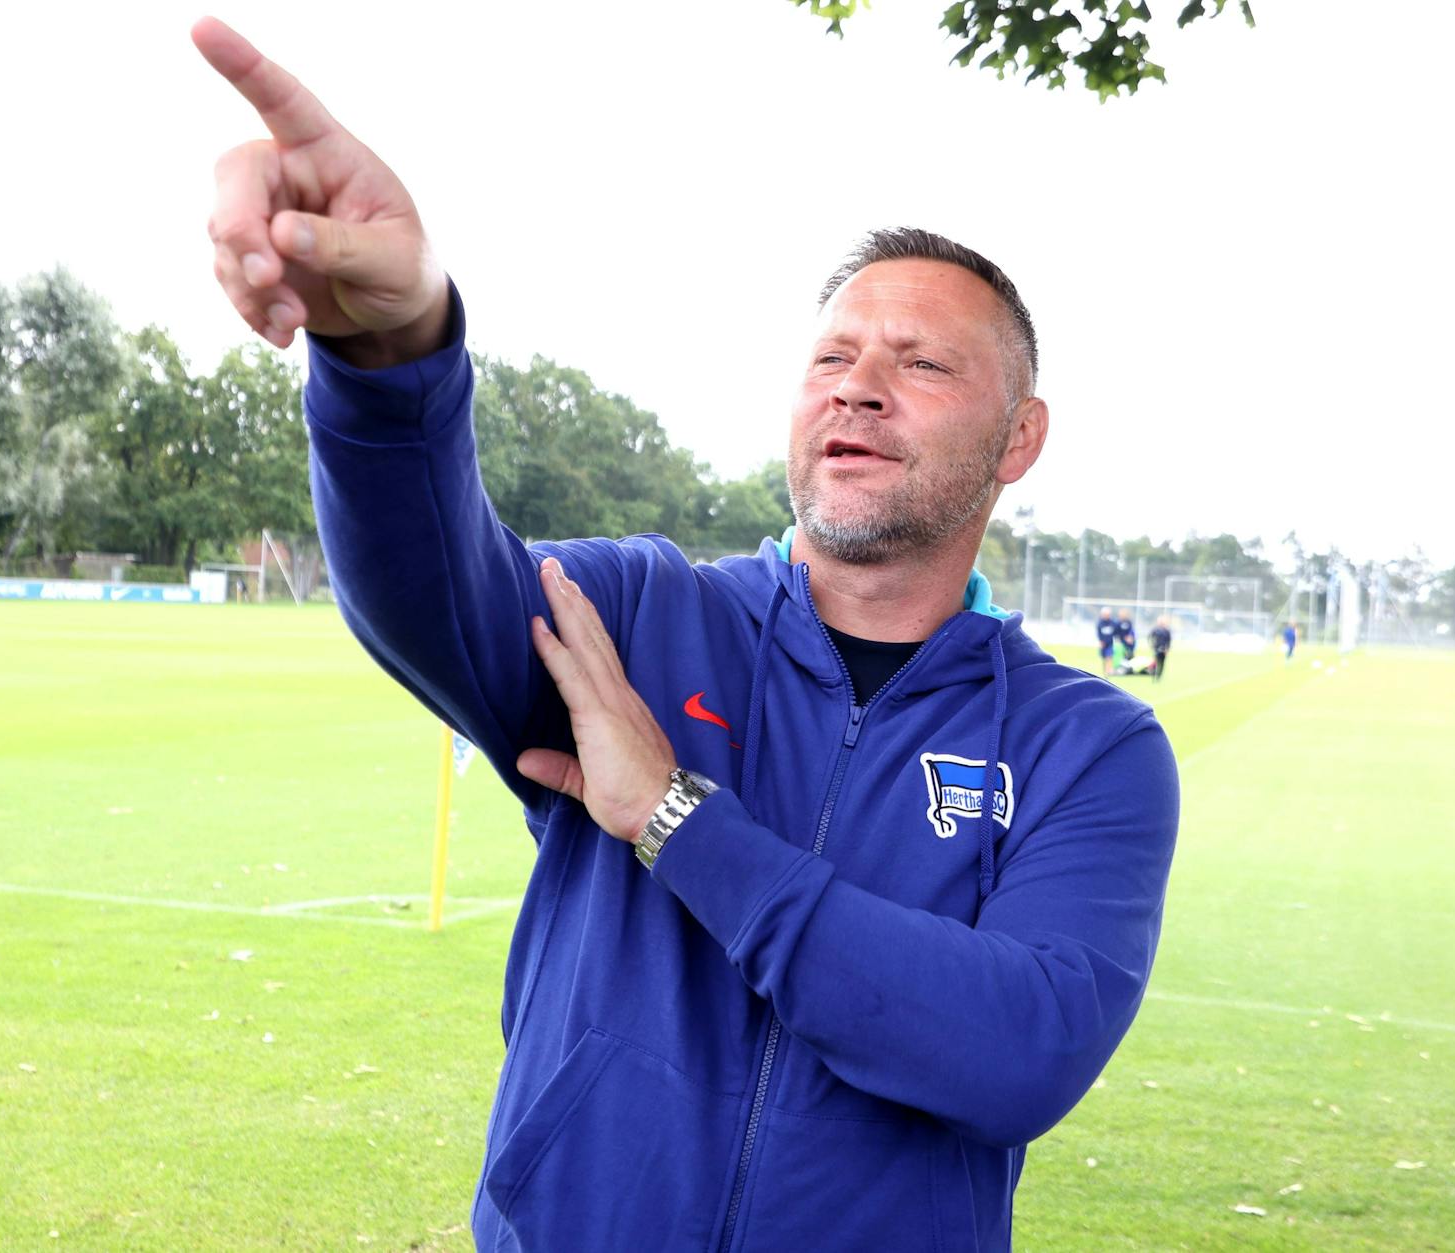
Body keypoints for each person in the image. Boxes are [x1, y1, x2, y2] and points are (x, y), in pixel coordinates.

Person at [193, 20, 1179, 1251]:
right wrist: (386, 351)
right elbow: (422, 583)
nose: (855, 386)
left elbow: (1011, 1053)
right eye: (831, 355)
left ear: (1018, 438)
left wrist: (676, 818)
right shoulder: (645, 614)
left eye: (919, 362)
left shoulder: (1087, 745)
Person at [1095, 605, 1118, 672]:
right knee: (1104, 658)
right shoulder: (1100, 623)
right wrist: (1100, 641)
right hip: (1103, 643)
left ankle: (1109, 670)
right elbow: (1098, 633)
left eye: (1108, 614)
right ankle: (1105, 670)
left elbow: (1116, 631)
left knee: (1109, 656)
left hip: (1110, 643)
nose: (1106, 616)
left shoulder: (1112, 623)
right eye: (1105, 614)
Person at [1150, 615, 1173, 683]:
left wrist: (1167, 649)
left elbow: (1169, 640)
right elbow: (1150, 637)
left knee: (1162, 664)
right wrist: (1152, 645)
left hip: (1163, 649)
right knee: (1155, 663)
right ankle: (1153, 676)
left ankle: (1158, 677)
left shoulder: (1167, 631)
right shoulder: (1155, 630)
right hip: (1156, 648)